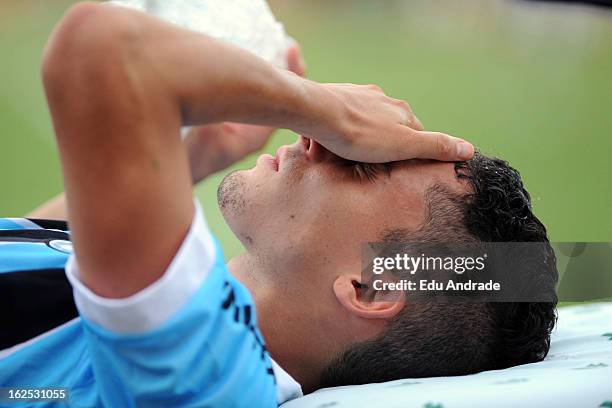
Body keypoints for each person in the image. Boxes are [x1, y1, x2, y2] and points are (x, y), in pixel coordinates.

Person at [0, 2, 557, 407]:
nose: (321, 142)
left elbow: (101, 47)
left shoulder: (207, 381)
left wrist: (322, 108)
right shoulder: (191, 317)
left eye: (366, 161)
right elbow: (50, 259)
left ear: (370, 287)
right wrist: (193, 157)